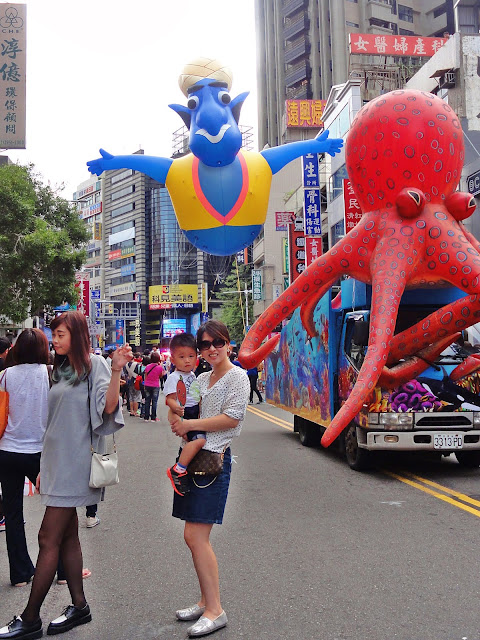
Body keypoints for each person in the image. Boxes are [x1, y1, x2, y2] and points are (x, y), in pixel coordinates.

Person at [0, 311, 132, 640]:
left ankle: (30, 619)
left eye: (60, 334)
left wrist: (116, 370)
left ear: (76, 334)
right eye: (53, 335)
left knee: (48, 539)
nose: (54, 340)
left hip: (77, 464)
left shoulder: (94, 364)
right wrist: (46, 466)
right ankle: (80, 606)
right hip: (57, 463)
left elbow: (107, 409)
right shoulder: (59, 369)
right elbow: (54, 425)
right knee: (69, 537)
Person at [169, 320, 249, 638]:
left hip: (214, 461)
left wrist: (191, 426)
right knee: (193, 536)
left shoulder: (237, 377)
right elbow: (190, 411)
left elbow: (232, 418)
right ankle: (205, 601)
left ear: (228, 344)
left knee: (195, 537)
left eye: (217, 342)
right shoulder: (202, 377)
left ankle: (216, 610)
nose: (211, 348)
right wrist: (177, 414)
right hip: (193, 460)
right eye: (205, 345)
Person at [0, 329, 49, 588]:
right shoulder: (49, 375)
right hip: (40, 452)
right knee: (58, 510)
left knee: (13, 513)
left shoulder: (5, 375)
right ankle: (64, 571)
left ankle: (20, 574)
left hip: (7, 450)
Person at [164, 334, 202, 496]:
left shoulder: (193, 376)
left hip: (194, 412)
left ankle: (183, 468)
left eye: (191, 356)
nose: (187, 360)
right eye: (182, 357)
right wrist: (176, 409)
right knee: (199, 440)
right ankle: (178, 469)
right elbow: (169, 399)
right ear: (173, 360)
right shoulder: (173, 377)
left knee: (192, 440)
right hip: (185, 413)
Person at [143, 352, 164, 422]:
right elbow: (161, 376)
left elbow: (145, 376)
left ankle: (146, 417)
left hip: (147, 384)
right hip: (155, 385)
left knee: (147, 401)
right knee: (154, 401)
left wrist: (145, 384)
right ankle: (153, 417)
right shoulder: (159, 367)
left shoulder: (147, 366)